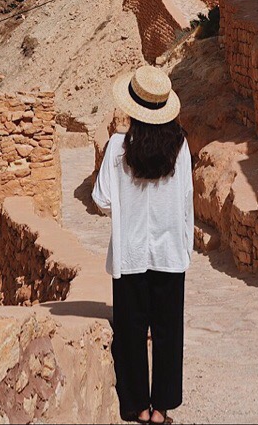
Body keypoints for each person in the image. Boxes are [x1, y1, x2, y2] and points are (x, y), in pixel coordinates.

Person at [92, 64, 193, 424]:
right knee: (168, 331)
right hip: (169, 254)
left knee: (131, 331)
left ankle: (135, 405)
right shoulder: (180, 149)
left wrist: (125, 206)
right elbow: (185, 204)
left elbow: (102, 199)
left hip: (130, 254)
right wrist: (186, 247)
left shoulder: (119, 147)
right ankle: (160, 409)